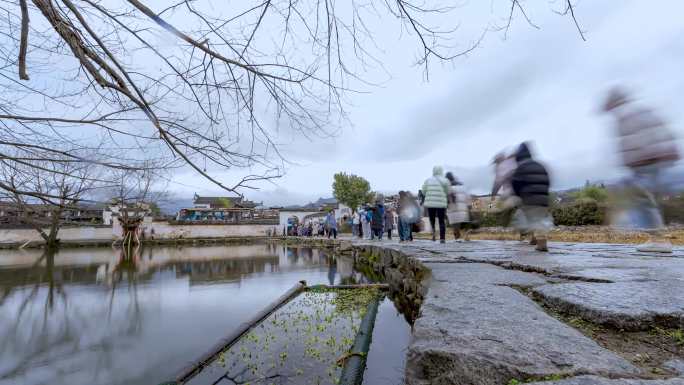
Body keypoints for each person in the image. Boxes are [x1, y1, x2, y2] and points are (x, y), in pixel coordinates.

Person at [602, 87, 681, 253]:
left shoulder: (625, 115)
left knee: (635, 194)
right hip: (661, 158)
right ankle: (657, 239)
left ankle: (656, 239)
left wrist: (632, 161)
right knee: (649, 196)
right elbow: (664, 132)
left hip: (646, 161)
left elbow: (634, 141)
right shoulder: (642, 111)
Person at [511, 142, 552, 252]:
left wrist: (519, 195)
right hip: (543, 200)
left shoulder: (521, 167)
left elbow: (515, 183)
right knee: (539, 221)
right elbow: (548, 181)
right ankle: (538, 240)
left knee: (526, 220)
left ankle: (537, 241)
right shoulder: (540, 165)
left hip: (529, 199)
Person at [422, 166, 450, 243]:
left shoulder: (428, 180)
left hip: (430, 203)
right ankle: (442, 238)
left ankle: (434, 234)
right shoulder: (445, 180)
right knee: (441, 221)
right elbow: (448, 191)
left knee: (432, 219)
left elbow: (423, 191)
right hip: (441, 203)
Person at [445, 172, 471, 241]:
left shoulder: (447, 188)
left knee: (455, 227)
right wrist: (469, 206)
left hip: (453, 210)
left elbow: (446, 200)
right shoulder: (462, 186)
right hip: (463, 209)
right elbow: (468, 197)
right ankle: (466, 236)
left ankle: (458, 239)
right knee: (465, 224)